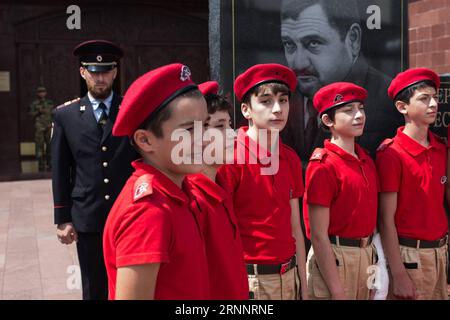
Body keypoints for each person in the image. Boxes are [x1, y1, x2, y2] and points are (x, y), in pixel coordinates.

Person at [103, 63, 210, 300]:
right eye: (188, 130)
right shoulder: (149, 211)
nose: (205, 139)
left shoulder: (178, 192)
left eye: (205, 125)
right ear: (145, 140)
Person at [51, 40, 138, 300]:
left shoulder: (132, 111)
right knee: (93, 285)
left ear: (115, 72)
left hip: (129, 213)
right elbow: (60, 169)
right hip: (88, 215)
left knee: (131, 282)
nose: (100, 78)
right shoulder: (65, 115)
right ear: (83, 72)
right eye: (94, 71)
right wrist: (63, 218)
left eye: (106, 71)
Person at [217, 64, 308, 300]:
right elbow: (220, 233)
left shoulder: (289, 157)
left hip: (290, 277)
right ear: (246, 110)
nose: (278, 109)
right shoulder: (230, 157)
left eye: (284, 100)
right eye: (266, 101)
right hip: (251, 281)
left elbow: (295, 226)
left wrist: (304, 287)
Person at [280, 0, 403, 162]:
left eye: (313, 43)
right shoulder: (281, 99)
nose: (299, 63)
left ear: (353, 39)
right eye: (289, 44)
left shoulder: (388, 101)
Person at [376, 68, 449, 300]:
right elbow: (386, 220)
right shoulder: (392, 154)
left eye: (435, 97)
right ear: (402, 107)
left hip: (440, 253)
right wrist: (398, 274)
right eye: (424, 98)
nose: (433, 104)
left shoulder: (440, 148)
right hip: (409, 257)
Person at [303, 82, 378, 300]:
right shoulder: (323, 165)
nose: (359, 115)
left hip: (366, 257)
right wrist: (337, 291)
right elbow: (317, 235)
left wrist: (374, 273)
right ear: (328, 120)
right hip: (335, 259)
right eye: (348, 110)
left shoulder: (367, 161)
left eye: (361, 108)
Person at [182, 81, 248, 300]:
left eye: (230, 125)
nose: (233, 135)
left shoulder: (222, 186)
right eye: (220, 127)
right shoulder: (191, 199)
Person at [29, 86, 54, 171]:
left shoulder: (49, 103)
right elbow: (31, 114)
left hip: (48, 126)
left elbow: (54, 114)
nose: (42, 93)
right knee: (39, 146)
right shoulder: (34, 104)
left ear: (45, 93)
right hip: (39, 126)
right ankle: (41, 166)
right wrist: (38, 111)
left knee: (50, 145)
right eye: (40, 92)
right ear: (37, 93)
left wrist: (52, 123)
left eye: (43, 91)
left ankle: (50, 164)